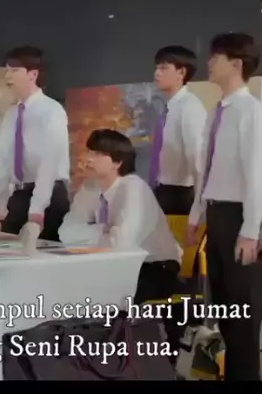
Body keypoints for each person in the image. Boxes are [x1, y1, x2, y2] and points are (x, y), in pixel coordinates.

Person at [186, 32, 262, 381]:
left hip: (238, 217)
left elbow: (257, 175)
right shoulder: (217, 111)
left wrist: (250, 230)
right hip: (217, 213)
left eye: (215, 57)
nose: (209, 63)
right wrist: (197, 214)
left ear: (236, 64)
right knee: (223, 307)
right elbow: (206, 169)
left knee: (240, 311)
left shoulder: (251, 111)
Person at [58, 129, 182, 358]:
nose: (89, 159)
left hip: (155, 267)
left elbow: (122, 244)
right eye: (89, 152)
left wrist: (93, 234)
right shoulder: (91, 187)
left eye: (98, 154)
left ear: (117, 162)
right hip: (109, 265)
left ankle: (112, 360)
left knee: (95, 296)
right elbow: (65, 231)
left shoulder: (134, 188)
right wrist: (102, 231)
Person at [0, 46, 70, 241]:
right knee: (8, 247)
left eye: (14, 70)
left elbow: (49, 163)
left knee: (42, 254)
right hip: (20, 194)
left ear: (33, 74)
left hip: (49, 195)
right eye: (7, 70)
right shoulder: (12, 115)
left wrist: (37, 208)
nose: (8, 76)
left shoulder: (52, 110)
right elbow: (2, 164)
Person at [149, 45, 207, 215]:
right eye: (156, 68)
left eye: (164, 68)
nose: (157, 73)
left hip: (179, 193)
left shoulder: (190, 107)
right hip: (161, 188)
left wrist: (199, 204)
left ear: (181, 72)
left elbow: (197, 158)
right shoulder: (170, 107)